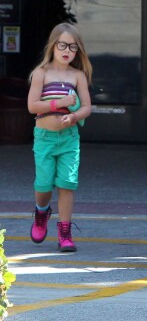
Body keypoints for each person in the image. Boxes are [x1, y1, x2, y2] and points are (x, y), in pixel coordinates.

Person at [27, 22, 93, 252]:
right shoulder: (41, 73)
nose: (67, 51)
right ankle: (41, 212)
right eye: (62, 45)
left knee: (66, 184)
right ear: (53, 45)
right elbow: (32, 106)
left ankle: (65, 232)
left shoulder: (78, 76)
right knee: (44, 184)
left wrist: (73, 117)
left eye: (73, 47)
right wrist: (59, 103)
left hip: (69, 138)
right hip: (44, 137)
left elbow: (86, 107)